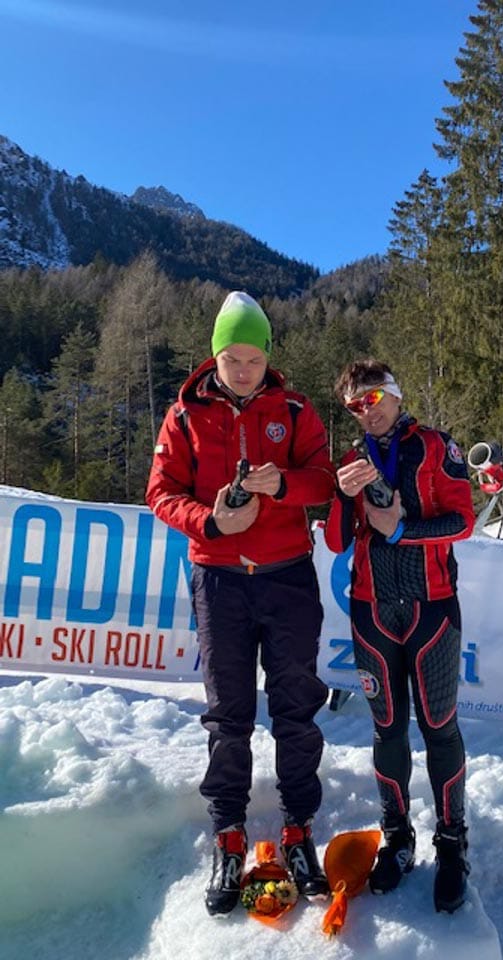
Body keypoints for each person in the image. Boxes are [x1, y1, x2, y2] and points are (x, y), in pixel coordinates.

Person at [146, 291, 335, 915]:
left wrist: (283, 484)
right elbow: (161, 493)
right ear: (215, 356)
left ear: (269, 356)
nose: (245, 370)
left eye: (255, 358)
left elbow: (324, 481)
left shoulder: (295, 410)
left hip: (287, 578)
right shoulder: (184, 414)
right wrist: (211, 521)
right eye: (233, 358)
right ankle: (228, 834)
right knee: (228, 714)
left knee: (296, 709)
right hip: (219, 580)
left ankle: (298, 828)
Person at [325, 359, 476, 914]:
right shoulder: (352, 459)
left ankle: (452, 843)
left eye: (373, 398)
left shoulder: (436, 446)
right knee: (387, 730)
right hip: (371, 611)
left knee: (439, 727)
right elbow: (337, 542)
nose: (366, 412)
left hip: (431, 608)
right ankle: (397, 837)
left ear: (394, 394)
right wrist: (339, 496)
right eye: (354, 406)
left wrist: (402, 530)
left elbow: (463, 520)